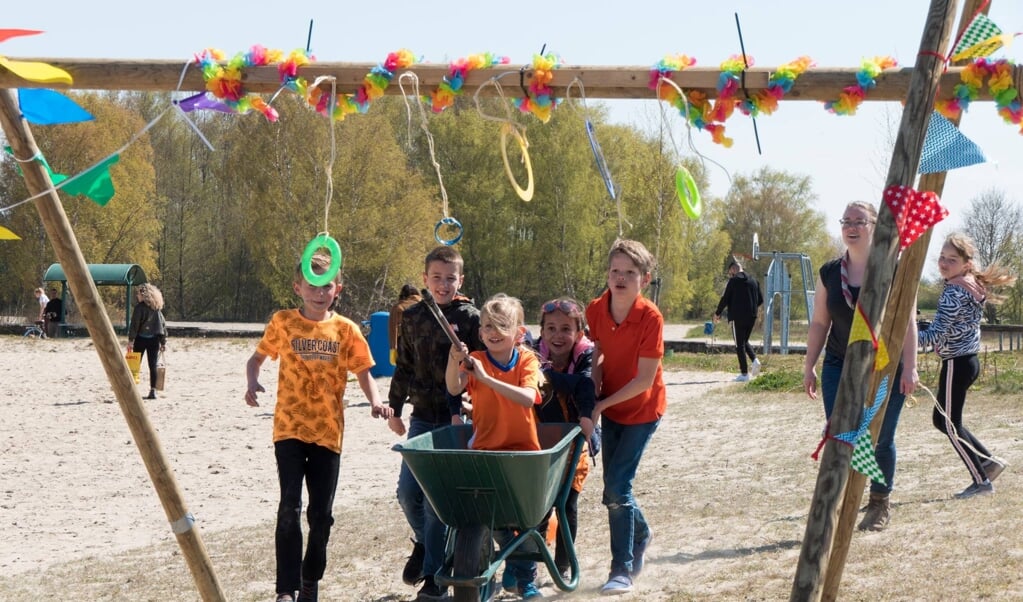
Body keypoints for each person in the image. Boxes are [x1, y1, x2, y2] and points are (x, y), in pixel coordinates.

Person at [244, 251, 391, 602]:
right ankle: (285, 589)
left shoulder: (346, 330)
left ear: (336, 288)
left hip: (328, 433)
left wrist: (375, 402)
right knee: (289, 507)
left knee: (321, 516)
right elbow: (257, 358)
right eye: (312, 285)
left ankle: (311, 579)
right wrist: (252, 381)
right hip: (289, 429)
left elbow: (364, 372)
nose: (319, 292)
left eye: (326, 286)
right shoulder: (283, 322)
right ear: (298, 287)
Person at [803, 201, 918, 531]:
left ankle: (879, 502)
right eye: (846, 221)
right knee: (841, 434)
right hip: (839, 362)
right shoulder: (829, 272)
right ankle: (834, 504)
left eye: (859, 221)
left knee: (879, 437)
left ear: (875, 225)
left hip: (886, 366)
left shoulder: (892, 269)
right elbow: (819, 324)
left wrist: (910, 367)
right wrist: (809, 364)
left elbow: (908, 320)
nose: (851, 227)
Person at [387, 245, 483, 601]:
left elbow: (481, 367)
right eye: (437, 278)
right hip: (422, 418)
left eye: (451, 278)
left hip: (456, 421)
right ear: (425, 278)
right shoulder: (413, 317)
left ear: (461, 280)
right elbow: (405, 366)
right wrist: (394, 408)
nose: (443, 285)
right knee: (407, 493)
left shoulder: (471, 318)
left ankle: (435, 577)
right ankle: (428, 547)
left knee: (434, 503)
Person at [446, 293, 544, 600]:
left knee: (526, 521)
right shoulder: (477, 359)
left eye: (502, 325)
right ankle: (509, 564)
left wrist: (486, 379)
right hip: (487, 450)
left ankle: (526, 579)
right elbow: (453, 387)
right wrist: (454, 360)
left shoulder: (526, 359)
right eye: (487, 325)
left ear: (518, 333)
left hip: (523, 452)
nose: (493, 331)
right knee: (495, 519)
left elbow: (527, 398)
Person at [585, 239, 665, 595]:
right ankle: (642, 532)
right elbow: (598, 353)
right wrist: (593, 392)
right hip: (609, 405)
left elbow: (645, 380)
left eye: (629, 273)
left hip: (642, 409)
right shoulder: (596, 309)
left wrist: (601, 406)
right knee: (615, 489)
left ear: (644, 279)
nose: (620, 278)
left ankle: (622, 569)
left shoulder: (651, 318)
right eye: (615, 271)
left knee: (617, 487)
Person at [918, 233, 1015, 499]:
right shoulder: (968, 286)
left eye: (952, 259)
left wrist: (907, 338)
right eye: (941, 258)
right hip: (967, 361)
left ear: (966, 264)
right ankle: (988, 462)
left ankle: (981, 480)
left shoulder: (954, 292)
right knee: (943, 420)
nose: (944, 263)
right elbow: (948, 327)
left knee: (948, 424)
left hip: (956, 363)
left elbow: (935, 334)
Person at [530, 296, 597, 582]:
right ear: (542, 331)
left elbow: (584, 385)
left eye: (566, 329)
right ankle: (529, 566)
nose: (559, 335)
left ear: (579, 333)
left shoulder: (587, 356)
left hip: (575, 443)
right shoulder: (530, 354)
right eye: (552, 328)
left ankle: (564, 562)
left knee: (567, 503)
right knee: (537, 506)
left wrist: (542, 375)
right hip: (538, 442)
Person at [713, 259, 764, 381]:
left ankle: (744, 373)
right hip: (752, 316)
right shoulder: (754, 280)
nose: (730, 274)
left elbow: (725, 298)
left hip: (737, 317)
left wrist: (717, 313)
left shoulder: (733, 281)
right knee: (744, 341)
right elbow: (760, 300)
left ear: (733, 269)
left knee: (739, 345)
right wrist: (750, 307)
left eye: (730, 272)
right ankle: (755, 360)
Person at [127, 283, 167, 400]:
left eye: (138, 293)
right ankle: (153, 391)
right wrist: (163, 342)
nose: (137, 296)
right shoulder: (156, 308)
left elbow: (134, 325)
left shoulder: (139, 308)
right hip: (154, 340)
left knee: (135, 365)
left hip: (140, 339)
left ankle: (131, 390)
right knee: (152, 365)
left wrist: (131, 340)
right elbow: (162, 326)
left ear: (144, 295)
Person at [389, 284, 422, 365]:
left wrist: (393, 348)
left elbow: (393, 329)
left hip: (404, 343)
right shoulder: (425, 305)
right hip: (423, 342)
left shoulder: (398, 307)